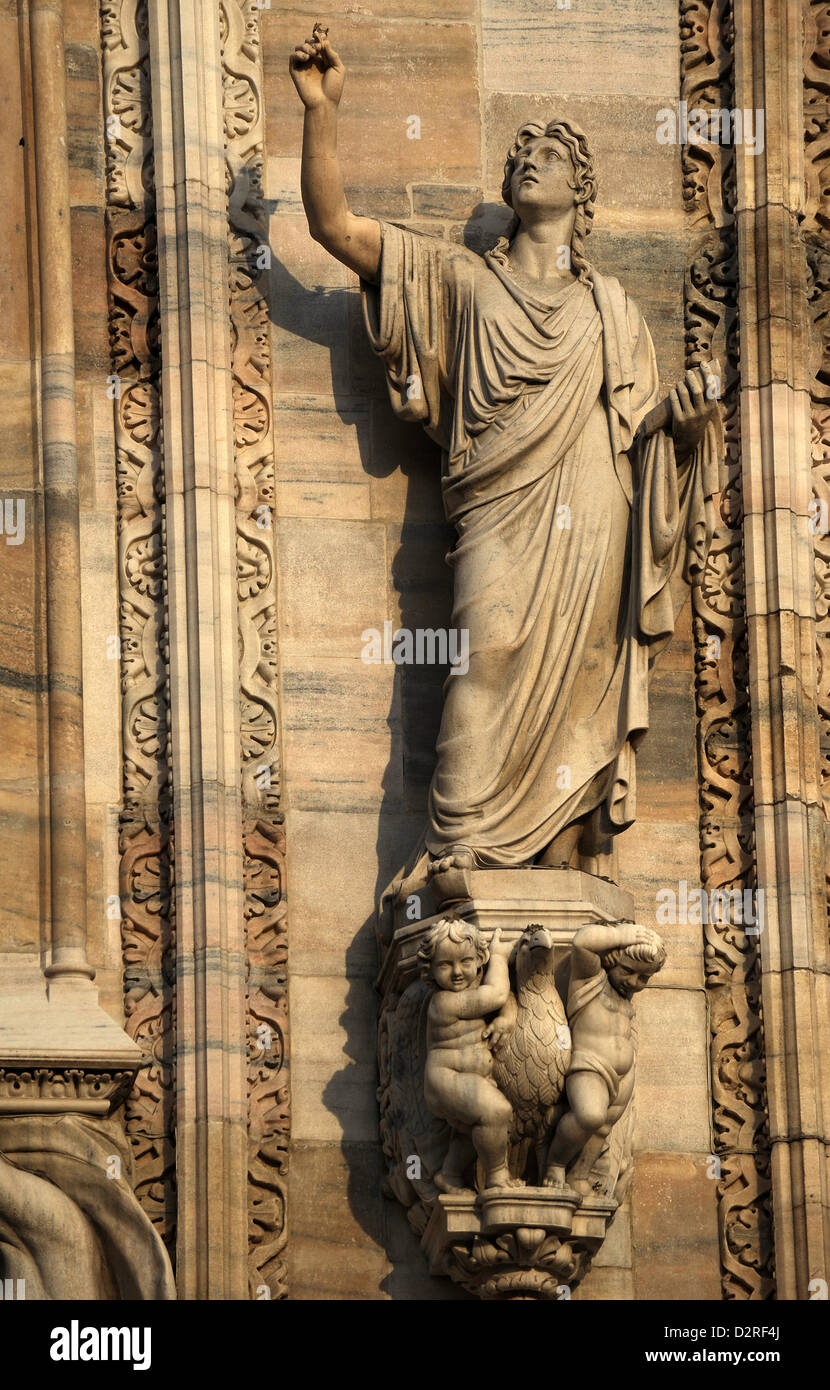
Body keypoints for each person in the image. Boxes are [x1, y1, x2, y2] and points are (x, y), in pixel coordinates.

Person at [289, 33, 722, 896]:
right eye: (521, 152)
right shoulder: (457, 278)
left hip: (593, 513)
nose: (531, 159)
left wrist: (680, 421)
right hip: (499, 506)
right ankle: (458, 845)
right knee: (483, 655)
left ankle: (554, 858)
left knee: (579, 676)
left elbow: (636, 432)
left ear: (581, 189)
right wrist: (322, 113)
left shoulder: (611, 308)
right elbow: (332, 227)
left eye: (552, 153)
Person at [543, 922, 666, 1188]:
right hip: (590, 1066)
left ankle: (579, 1175)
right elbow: (582, 942)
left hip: (623, 1071)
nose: (634, 983)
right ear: (610, 960)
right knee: (589, 1116)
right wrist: (620, 935)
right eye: (628, 972)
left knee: (603, 1126)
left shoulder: (625, 993)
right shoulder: (590, 979)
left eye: (643, 978)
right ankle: (555, 1164)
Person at [417, 919, 518, 1192]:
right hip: (446, 1078)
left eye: (465, 961)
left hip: (469, 1078)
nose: (457, 972)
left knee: (470, 1130)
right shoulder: (443, 1002)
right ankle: (497, 1176)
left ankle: (448, 1174)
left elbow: (504, 1001)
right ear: (430, 968)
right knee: (497, 1112)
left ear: (478, 959)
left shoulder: (472, 993)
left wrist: (507, 1019)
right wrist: (499, 957)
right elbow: (497, 994)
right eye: (445, 965)